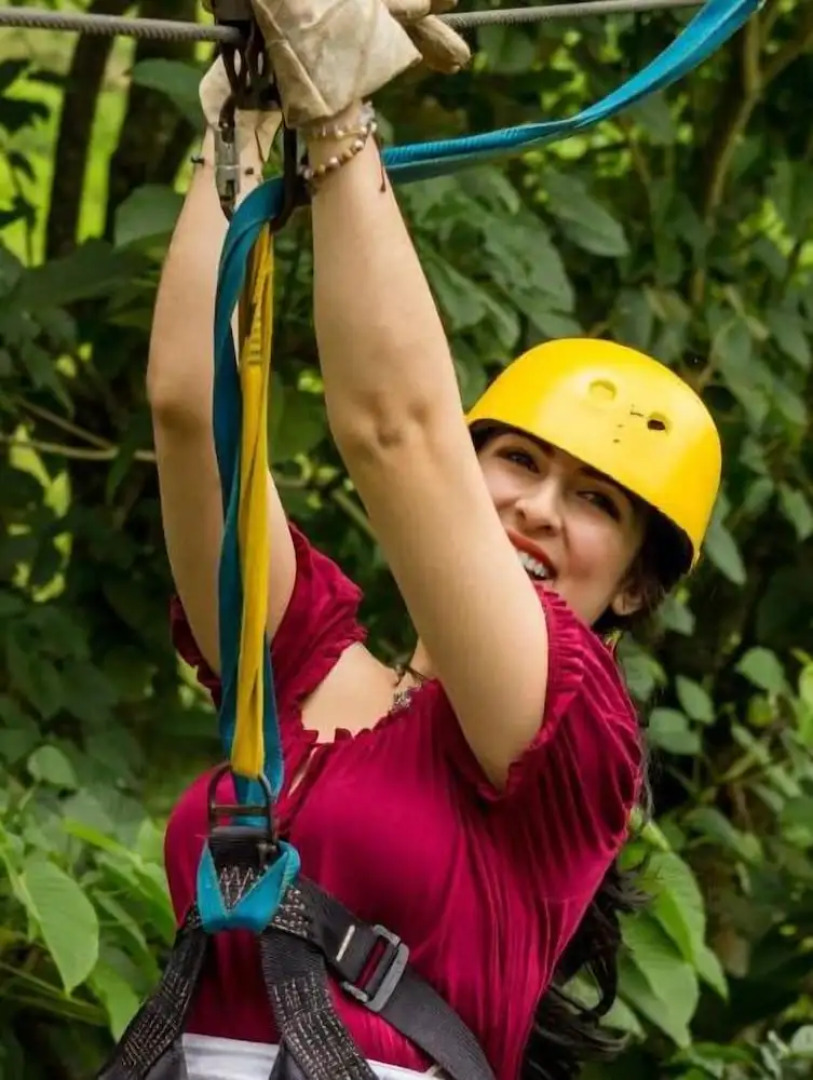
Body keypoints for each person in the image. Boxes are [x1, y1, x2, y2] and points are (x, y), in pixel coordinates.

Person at [146, 9, 722, 1080]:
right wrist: (246, 120)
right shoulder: (301, 659)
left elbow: (397, 434)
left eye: (596, 501)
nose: (541, 509)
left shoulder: (569, 749)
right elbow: (191, 407)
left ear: (638, 587)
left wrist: (342, 115)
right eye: (517, 463)